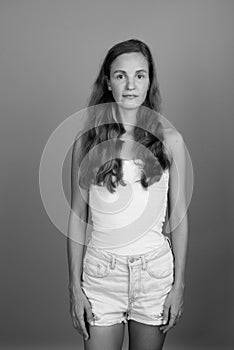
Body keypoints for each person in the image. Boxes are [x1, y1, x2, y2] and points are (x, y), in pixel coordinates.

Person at [67, 38, 188, 350]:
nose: (131, 85)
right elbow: (78, 217)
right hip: (101, 275)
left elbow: (178, 217)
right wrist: (74, 287)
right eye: (121, 75)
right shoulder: (87, 141)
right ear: (108, 82)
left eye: (140, 75)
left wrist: (179, 285)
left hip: (154, 275)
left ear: (150, 80)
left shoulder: (171, 140)